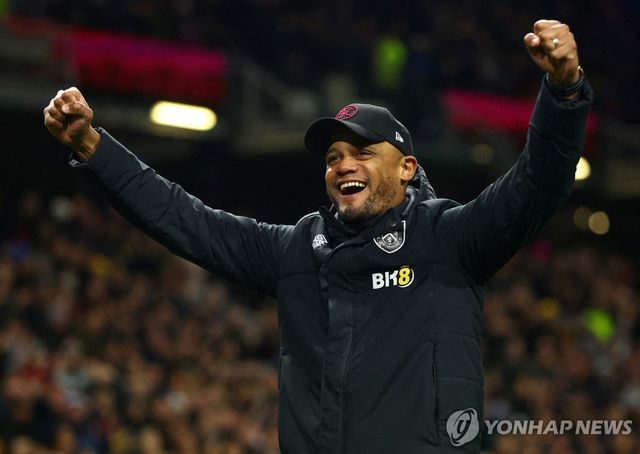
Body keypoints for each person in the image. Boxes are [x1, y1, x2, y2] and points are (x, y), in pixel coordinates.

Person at [44, 19, 592, 454]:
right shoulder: (296, 250)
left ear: (406, 168)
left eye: (362, 152)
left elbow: (537, 183)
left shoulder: (449, 239)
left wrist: (563, 92)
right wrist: (94, 148)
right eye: (333, 157)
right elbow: (185, 220)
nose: (343, 165)